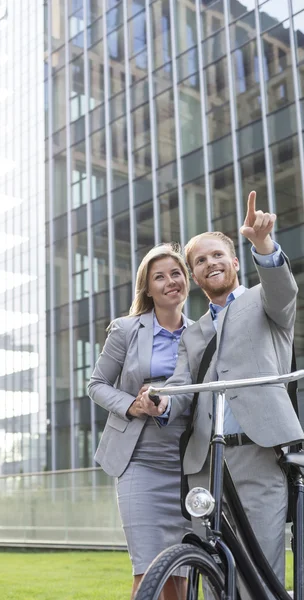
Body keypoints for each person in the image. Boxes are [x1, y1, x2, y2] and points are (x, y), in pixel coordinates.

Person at [141, 191, 304, 598]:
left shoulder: (264, 303)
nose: (210, 263)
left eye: (218, 256)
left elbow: (284, 291)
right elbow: (180, 386)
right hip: (206, 463)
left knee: (259, 564)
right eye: (200, 260)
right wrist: (159, 400)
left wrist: (262, 245)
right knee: (213, 566)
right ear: (194, 277)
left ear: (234, 262)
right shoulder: (193, 331)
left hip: (259, 452)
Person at [88, 243, 193, 600]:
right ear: (147, 288)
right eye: (159, 277)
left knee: (180, 572)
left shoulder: (201, 333)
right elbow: (96, 384)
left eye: (176, 274)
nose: (169, 282)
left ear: (186, 280)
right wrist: (131, 406)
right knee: (148, 567)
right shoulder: (126, 329)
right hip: (139, 460)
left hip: (188, 464)